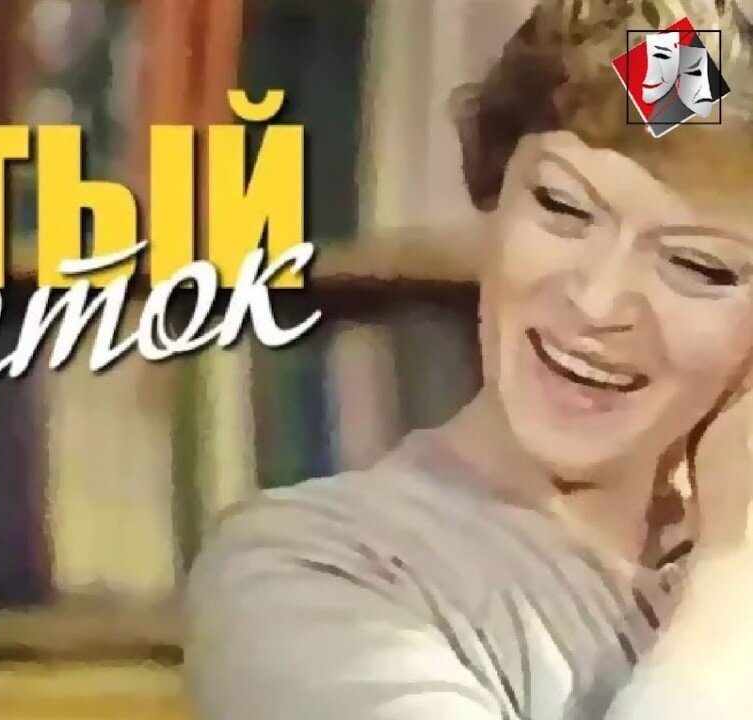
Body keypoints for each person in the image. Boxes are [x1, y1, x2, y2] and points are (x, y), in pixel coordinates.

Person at [184, 1, 753, 718]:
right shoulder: (315, 570)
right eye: (563, 208)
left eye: (698, 265)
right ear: (492, 195)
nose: (598, 303)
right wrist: (736, 572)